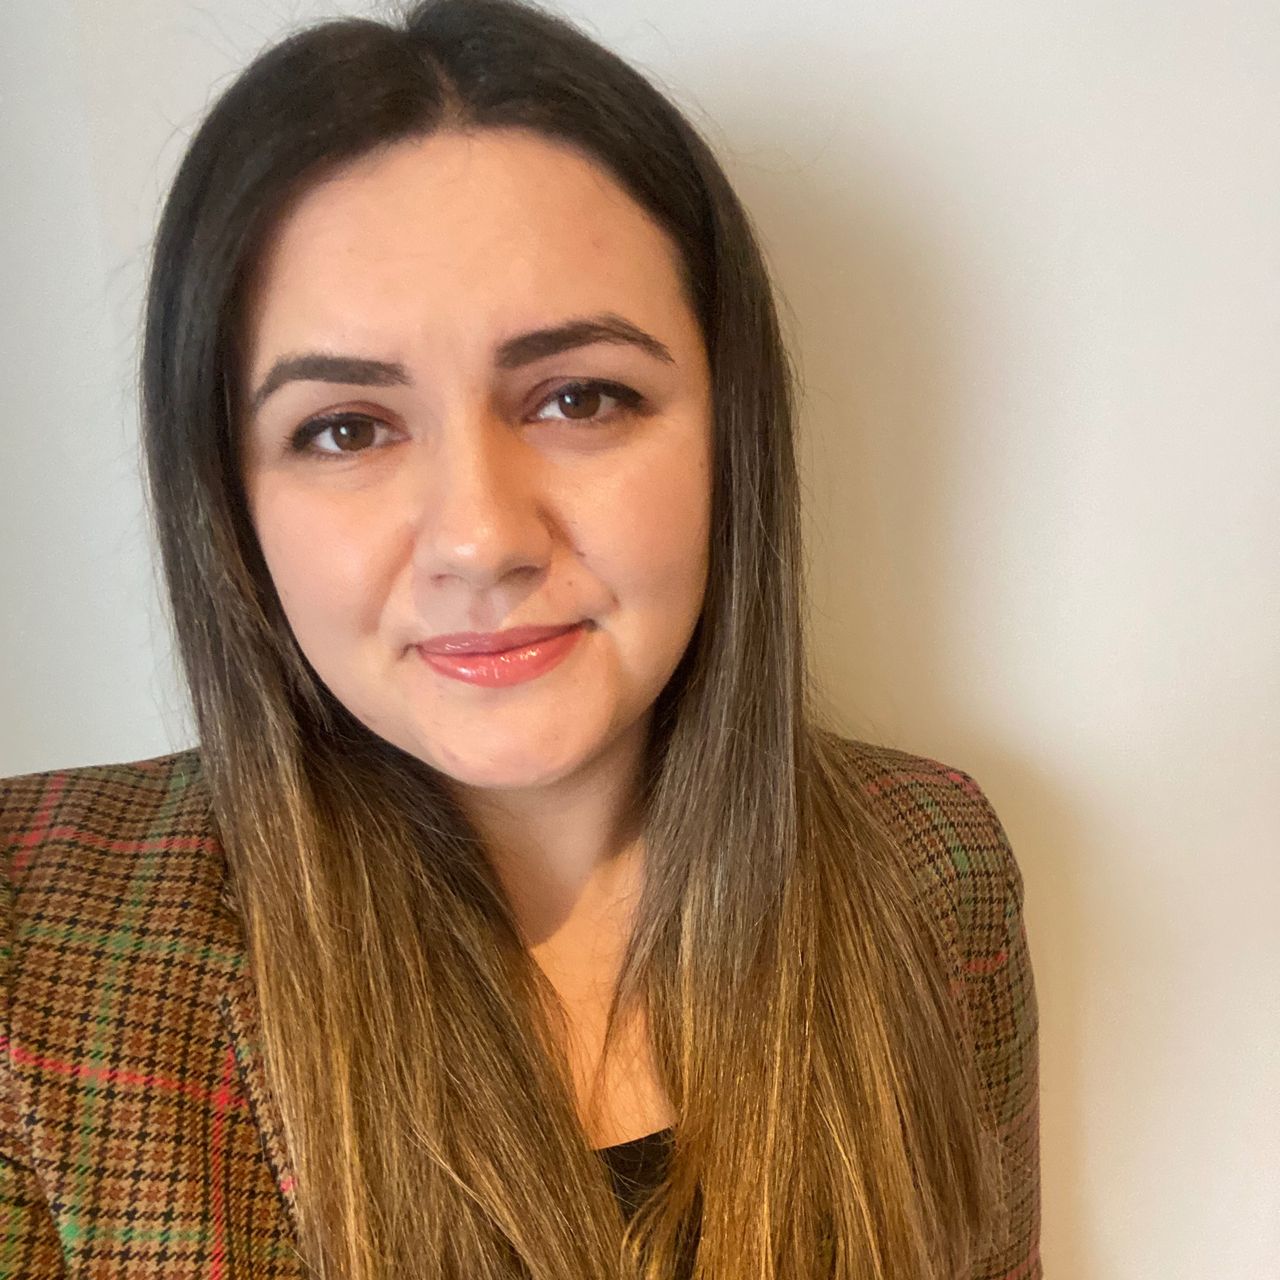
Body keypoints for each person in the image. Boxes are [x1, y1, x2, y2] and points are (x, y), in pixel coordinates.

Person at [0, 1, 1040, 1276]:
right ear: (229, 496)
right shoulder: (29, 951)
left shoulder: (934, 865)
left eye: (578, 397)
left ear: (729, 431)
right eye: (345, 427)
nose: (480, 538)